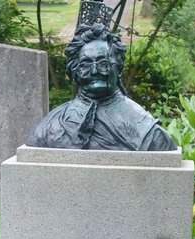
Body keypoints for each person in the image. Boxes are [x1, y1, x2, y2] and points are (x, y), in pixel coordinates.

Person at [27, 23, 176, 152]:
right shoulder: (49, 127)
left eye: (103, 64)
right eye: (85, 65)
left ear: (119, 68)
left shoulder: (149, 133)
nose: (94, 71)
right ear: (74, 73)